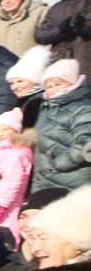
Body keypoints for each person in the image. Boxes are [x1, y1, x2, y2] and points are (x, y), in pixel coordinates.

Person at [34, 60, 91, 193]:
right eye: (48, 86)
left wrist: (55, 166)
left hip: (71, 181)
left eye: (58, 84)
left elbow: (85, 144)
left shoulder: (84, 108)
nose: (53, 89)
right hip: (44, 180)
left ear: (73, 83)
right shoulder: (46, 107)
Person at [0, 110, 35, 238]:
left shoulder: (16, 153)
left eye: (5, 129)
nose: (1, 134)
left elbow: (11, 185)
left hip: (5, 209)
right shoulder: (0, 152)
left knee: (4, 243)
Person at [35, 0, 91, 77]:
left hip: (87, 66)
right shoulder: (57, 8)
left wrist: (86, 27)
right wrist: (59, 30)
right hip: (59, 67)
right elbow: (40, 36)